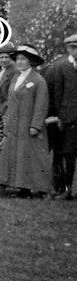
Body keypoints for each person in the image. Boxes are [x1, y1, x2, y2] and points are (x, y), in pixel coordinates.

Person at [0, 45, 52, 197]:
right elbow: (11, 101)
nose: (19, 62)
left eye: (23, 59)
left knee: (30, 156)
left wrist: (35, 125)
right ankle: (18, 186)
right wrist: (6, 120)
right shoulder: (16, 77)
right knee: (16, 154)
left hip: (28, 125)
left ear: (31, 62)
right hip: (14, 124)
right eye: (18, 59)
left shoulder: (38, 80)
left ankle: (34, 189)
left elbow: (41, 105)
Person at [44, 33, 77, 199]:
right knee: (63, 153)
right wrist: (57, 116)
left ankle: (68, 189)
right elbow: (57, 94)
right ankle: (63, 188)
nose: (76, 51)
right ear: (68, 49)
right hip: (65, 119)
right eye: (73, 48)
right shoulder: (61, 67)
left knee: (70, 153)